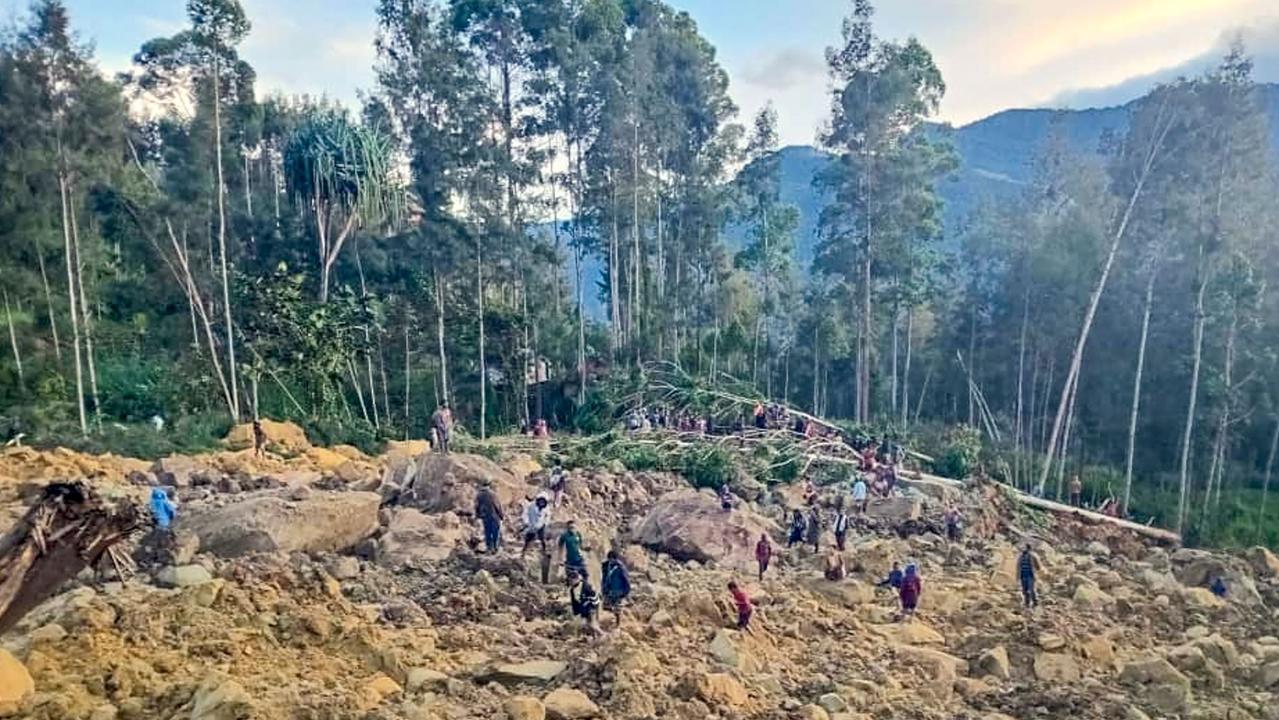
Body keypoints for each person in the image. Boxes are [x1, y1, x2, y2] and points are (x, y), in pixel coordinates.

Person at [601, 550, 632, 627]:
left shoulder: (620, 567)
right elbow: (604, 578)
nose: (610, 560)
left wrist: (626, 591)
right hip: (608, 590)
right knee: (606, 606)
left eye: (611, 559)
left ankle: (617, 623)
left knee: (617, 608)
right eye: (609, 559)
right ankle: (611, 621)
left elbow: (626, 579)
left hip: (618, 591)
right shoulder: (606, 566)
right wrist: (603, 589)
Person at [474, 479, 504, 554]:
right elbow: (497, 505)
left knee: (487, 532)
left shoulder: (479, 495)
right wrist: (501, 515)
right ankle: (495, 548)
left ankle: (489, 548)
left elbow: (477, 506)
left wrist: (477, 515)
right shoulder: (493, 494)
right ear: (489, 485)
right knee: (495, 532)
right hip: (494, 516)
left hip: (485, 516)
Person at [567, 571, 601, 635]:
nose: (570, 582)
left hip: (590, 608)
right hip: (583, 609)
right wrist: (576, 612)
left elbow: (595, 597)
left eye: (572, 580)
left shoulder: (586, 586)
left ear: (577, 579)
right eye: (569, 581)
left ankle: (603, 635)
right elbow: (574, 602)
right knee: (584, 625)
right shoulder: (572, 590)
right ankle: (592, 637)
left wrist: (593, 608)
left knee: (593, 625)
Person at [1018, 543, 1040, 608]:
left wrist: (1035, 570)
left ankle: (1035, 602)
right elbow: (1018, 566)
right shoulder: (1021, 556)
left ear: (1028, 548)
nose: (1022, 549)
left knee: (1031, 589)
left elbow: (1038, 566)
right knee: (1024, 590)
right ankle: (1027, 603)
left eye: (1024, 547)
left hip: (1030, 575)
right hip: (1023, 575)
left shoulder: (1033, 556)